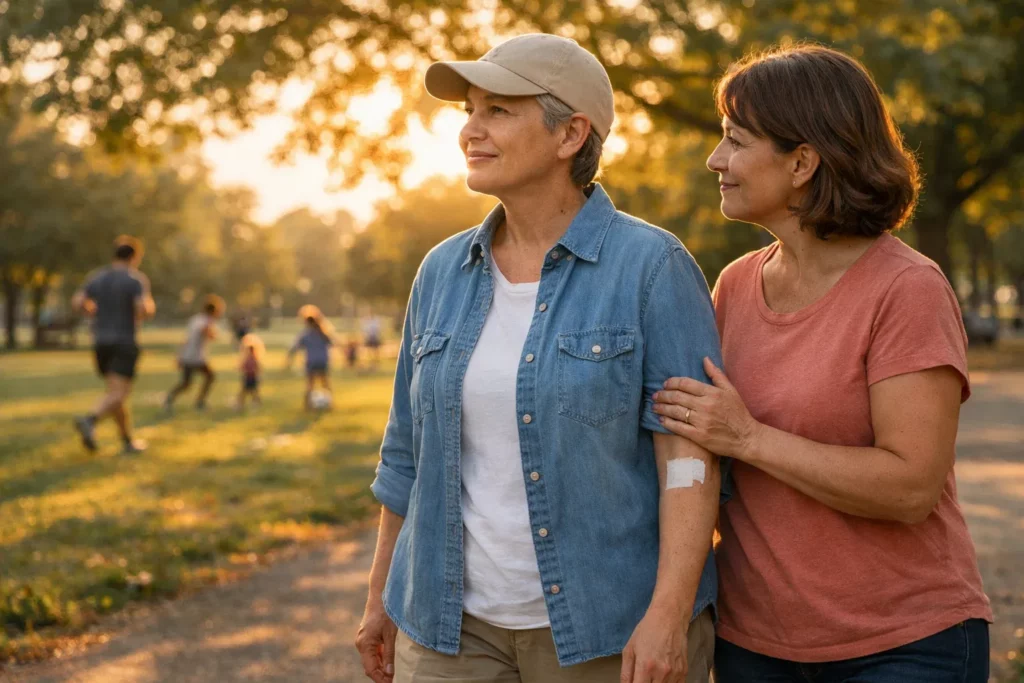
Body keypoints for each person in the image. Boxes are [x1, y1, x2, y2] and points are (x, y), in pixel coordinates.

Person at [356, 33, 723, 683]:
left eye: (498, 109)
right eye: (470, 110)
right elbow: (406, 452)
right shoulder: (441, 272)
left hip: (608, 629)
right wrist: (381, 596)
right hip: (449, 631)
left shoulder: (653, 268)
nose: (471, 129)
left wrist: (668, 614)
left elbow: (688, 462)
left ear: (570, 134)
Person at [652, 45, 992, 682]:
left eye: (734, 140)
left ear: (802, 161)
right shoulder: (733, 285)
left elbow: (911, 487)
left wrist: (748, 437)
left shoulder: (906, 289)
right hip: (756, 645)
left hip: (904, 645)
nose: (714, 160)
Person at [72, 235, 155, 454]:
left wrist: (92, 311)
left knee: (114, 392)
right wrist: (146, 310)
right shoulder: (135, 279)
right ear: (134, 257)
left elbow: (78, 301)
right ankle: (90, 420)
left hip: (100, 342)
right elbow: (142, 309)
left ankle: (128, 442)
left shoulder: (97, 278)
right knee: (119, 393)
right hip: (124, 341)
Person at [163, 294, 225, 413]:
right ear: (213, 311)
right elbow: (208, 334)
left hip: (190, 356)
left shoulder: (196, 319)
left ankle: (173, 399)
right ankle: (198, 402)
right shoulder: (205, 321)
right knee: (206, 378)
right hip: (194, 357)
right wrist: (212, 333)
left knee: (189, 383)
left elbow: (186, 339)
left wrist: (180, 356)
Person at [287, 306, 335, 410]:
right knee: (325, 383)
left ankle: (307, 405)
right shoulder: (323, 333)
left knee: (310, 384)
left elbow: (295, 347)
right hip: (323, 360)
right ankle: (330, 404)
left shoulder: (305, 334)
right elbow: (331, 343)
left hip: (312, 361)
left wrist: (289, 361)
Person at [237, 333, 264, 410]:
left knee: (253, 391)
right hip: (248, 377)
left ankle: (256, 402)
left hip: (252, 377)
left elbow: (258, 368)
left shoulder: (254, 359)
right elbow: (242, 367)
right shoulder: (247, 358)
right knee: (245, 391)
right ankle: (241, 403)